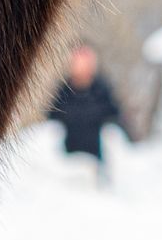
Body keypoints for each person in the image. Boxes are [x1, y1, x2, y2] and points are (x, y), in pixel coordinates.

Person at [46, 44, 127, 183]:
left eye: (86, 62)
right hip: (67, 164)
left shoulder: (102, 89)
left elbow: (115, 117)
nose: (82, 67)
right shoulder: (64, 90)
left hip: (98, 164)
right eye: (78, 62)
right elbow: (51, 119)